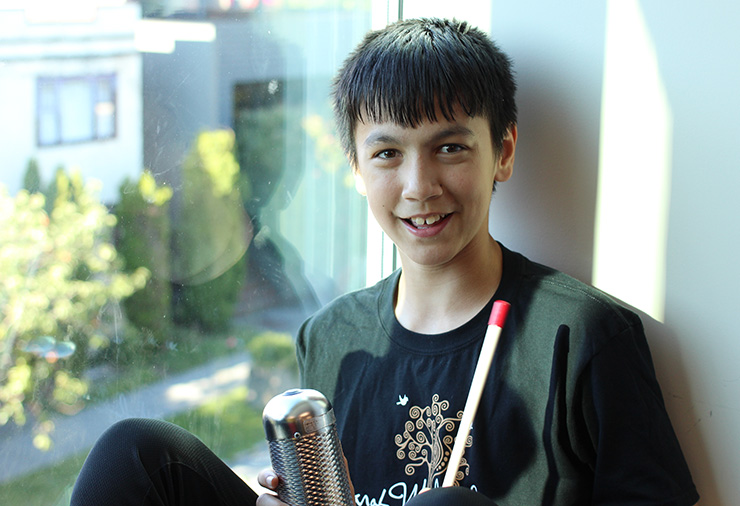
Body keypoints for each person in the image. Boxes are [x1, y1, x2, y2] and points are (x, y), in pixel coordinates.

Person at [71, 18, 699, 506]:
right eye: (388, 153)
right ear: (356, 167)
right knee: (135, 453)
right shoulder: (331, 336)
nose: (419, 185)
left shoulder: (584, 336)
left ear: (503, 151)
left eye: (450, 147)